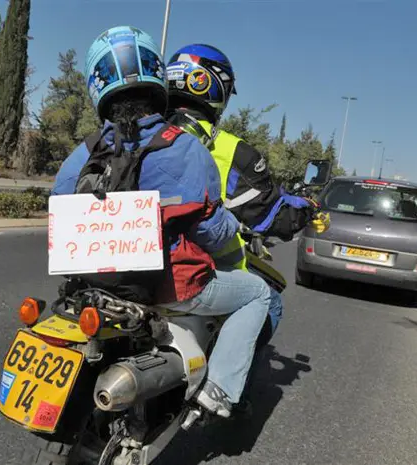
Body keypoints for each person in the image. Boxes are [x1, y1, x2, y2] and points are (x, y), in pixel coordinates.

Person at [50, 26, 271, 418]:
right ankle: (219, 389)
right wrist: (231, 233)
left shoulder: (84, 151)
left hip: (89, 285)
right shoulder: (182, 145)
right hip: (169, 285)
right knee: (257, 293)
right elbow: (208, 227)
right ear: (156, 75)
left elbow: (59, 211)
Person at [165, 44, 317, 342]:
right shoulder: (231, 151)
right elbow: (272, 219)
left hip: (129, 265)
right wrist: (307, 209)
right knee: (269, 303)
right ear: (217, 89)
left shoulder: (140, 133)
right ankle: (225, 388)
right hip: (196, 271)